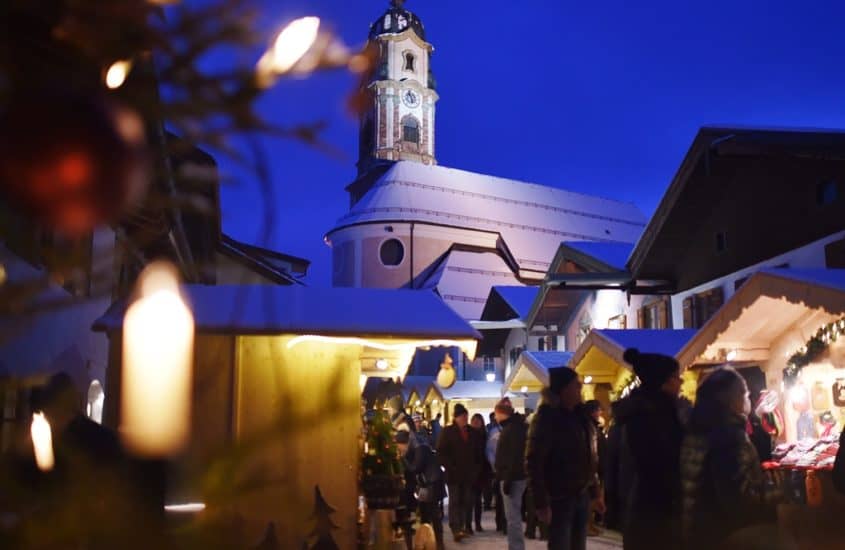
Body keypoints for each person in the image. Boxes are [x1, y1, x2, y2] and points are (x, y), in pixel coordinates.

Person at [681, 367, 783, 550]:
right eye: (744, 393)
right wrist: (779, 491)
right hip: (728, 536)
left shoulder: (698, 430)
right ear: (732, 400)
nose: (748, 398)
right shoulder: (729, 437)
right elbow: (741, 499)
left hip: (701, 534)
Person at [613, 348, 685, 550]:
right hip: (656, 511)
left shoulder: (644, 411)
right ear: (663, 381)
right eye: (676, 377)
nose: (681, 382)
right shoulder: (652, 415)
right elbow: (662, 463)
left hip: (644, 509)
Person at [526, 367, 602, 550]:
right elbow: (534, 462)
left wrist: (594, 491)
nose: (580, 389)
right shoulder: (547, 419)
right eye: (576, 385)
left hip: (580, 494)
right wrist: (541, 502)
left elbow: (589, 456)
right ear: (563, 389)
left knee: (578, 545)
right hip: (559, 497)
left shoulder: (581, 417)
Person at [436, 404, 484, 542]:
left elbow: (478, 452)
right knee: (455, 500)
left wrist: (476, 469)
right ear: (455, 418)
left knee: (466, 501)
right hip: (453, 474)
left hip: (468, 474)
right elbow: (441, 452)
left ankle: (462, 526)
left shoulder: (472, 432)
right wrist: (449, 466)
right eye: (462, 416)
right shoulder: (448, 432)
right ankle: (455, 528)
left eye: (466, 416)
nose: (464, 418)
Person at [396, 431, 446, 550]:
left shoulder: (420, 449)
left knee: (432, 513)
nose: (400, 449)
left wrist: (403, 459)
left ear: (405, 443)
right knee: (425, 513)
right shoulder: (418, 448)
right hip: (426, 485)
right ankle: (428, 542)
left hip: (431, 484)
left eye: (400, 446)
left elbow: (414, 469)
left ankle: (438, 543)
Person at [494, 397, 528, 550]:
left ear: (501, 413)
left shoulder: (511, 429)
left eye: (496, 414)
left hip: (512, 478)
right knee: (513, 515)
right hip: (516, 476)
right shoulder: (516, 426)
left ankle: (516, 547)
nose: (495, 417)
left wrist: (507, 479)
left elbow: (513, 456)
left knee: (513, 517)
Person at [583, 400, 606, 537]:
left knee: (592, 500)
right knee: (590, 500)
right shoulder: (590, 427)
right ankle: (587, 525)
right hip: (593, 469)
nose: (600, 412)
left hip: (597, 467)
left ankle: (590, 524)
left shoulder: (593, 427)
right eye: (598, 410)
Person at [467, 413, 489, 533]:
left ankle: (478, 523)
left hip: (481, 472)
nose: (475, 423)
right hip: (470, 472)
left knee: (477, 500)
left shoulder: (484, 435)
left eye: (478, 421)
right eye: (473, 421)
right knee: (470, 500)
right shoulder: (468, 435)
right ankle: (469, 525)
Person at [486, 411, 506, 533]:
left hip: (504, 469)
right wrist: (494, 467)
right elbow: (489, 451)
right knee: (500, 498)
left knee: (502, 498)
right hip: (499, 470)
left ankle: (502, 523)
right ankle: (501, 523)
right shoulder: (494, 432)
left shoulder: (498, 431)